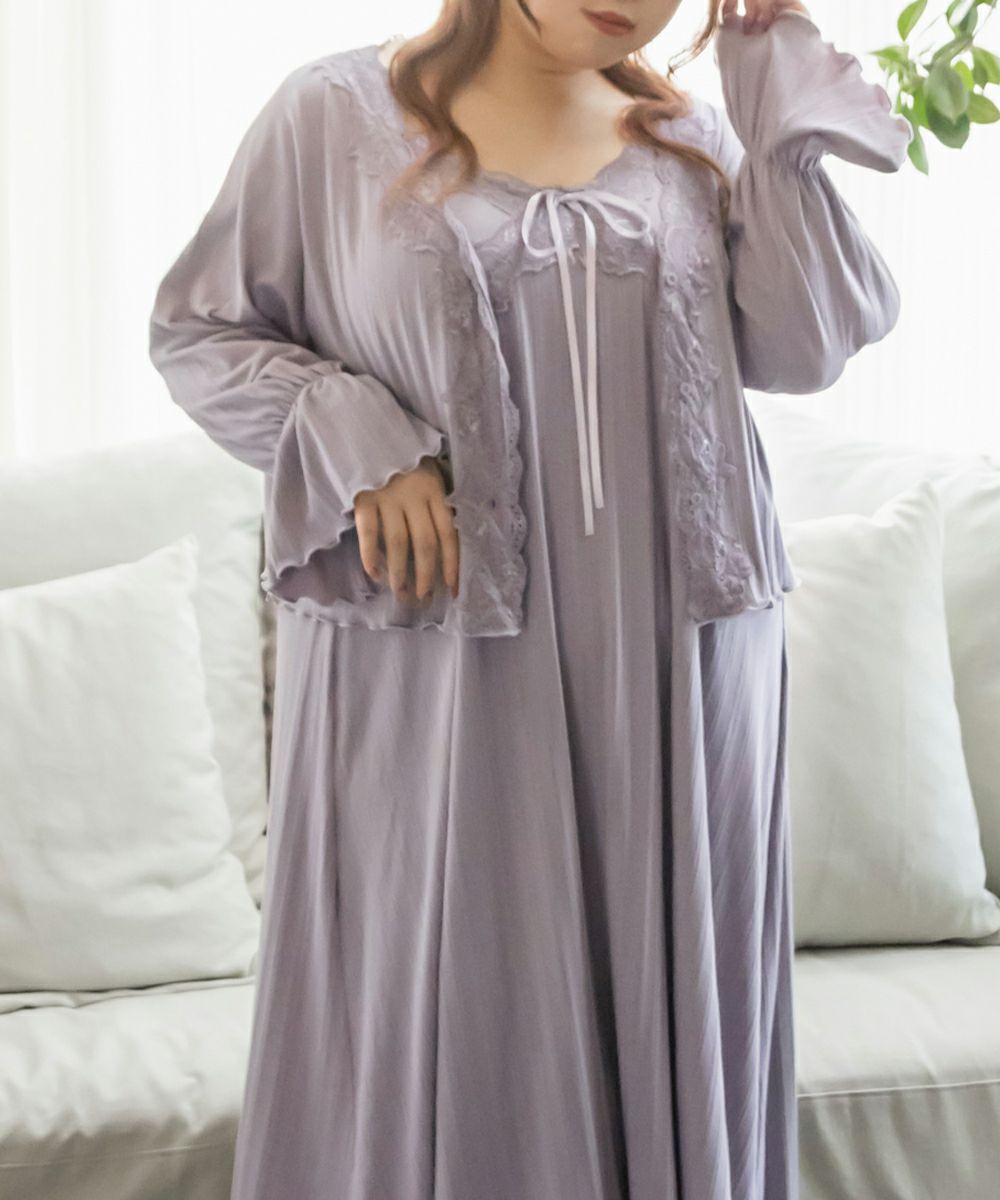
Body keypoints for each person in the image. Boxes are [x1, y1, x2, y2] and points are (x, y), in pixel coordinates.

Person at [148, 2, 910, 1197]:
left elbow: (804, 345)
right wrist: (358, 437)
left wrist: (774, 90)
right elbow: (199, 330)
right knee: (457, 997)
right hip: (447, 653)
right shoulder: (331, 116)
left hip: (679, 661)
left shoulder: (695, 140)